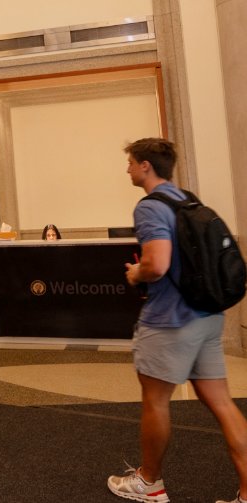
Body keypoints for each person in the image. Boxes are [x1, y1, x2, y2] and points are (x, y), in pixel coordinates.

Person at [107, 138, 247, 503]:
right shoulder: (188, 199)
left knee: (155, 401)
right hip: (207, 316)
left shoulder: (150, 208)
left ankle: (149, 483)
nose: (128, 169)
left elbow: (157, 263)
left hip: (169, 321)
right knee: (222, 403)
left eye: (131, 163)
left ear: (145, 167)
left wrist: (137, 273)